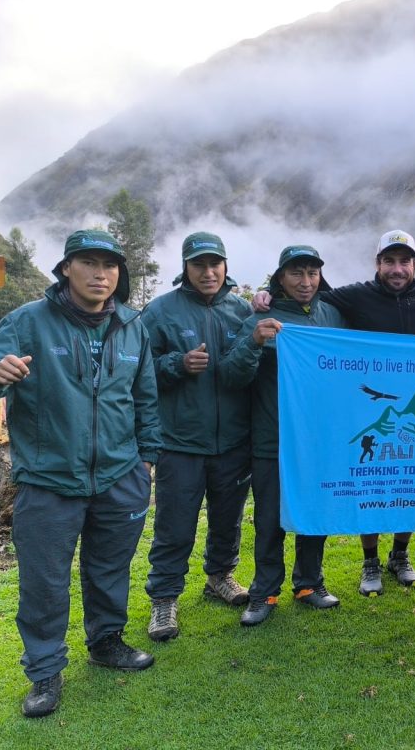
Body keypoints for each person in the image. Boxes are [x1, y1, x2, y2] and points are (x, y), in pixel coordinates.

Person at [252, 229, 415, 597]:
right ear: (378, 263)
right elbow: (311, 299)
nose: (397, 269)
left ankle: (400, 555)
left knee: (408, 484)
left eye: (404, 261)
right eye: (389, 261)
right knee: (372, 484)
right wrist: (267, 294)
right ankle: (370, 561)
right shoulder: (356, 295)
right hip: (374, 408)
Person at [0, 230, 161, 718]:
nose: (101, 274)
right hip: (49, 480)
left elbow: (145, 398)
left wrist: (146, 459)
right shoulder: (29, 322)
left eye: (110, 266)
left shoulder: (133, 326)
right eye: (89, 263)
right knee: (44, 581)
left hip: (120, 476)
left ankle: (107, 642)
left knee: (110, 568)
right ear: (66, 270)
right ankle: (46, 671)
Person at [221, 246, 345, 626]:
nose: (306, 282)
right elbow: (231, 376)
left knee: (314, 513)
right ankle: (264, 593)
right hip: (272, 438)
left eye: (312, 273)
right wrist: (254, 343)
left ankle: (309, 584)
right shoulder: (261, 316)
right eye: (296, 274)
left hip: (319, 440)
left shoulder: (332, 315)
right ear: (279, 278)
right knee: (269, 519)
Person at [141, 232, 254, 642]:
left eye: (215, 264)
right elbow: (137, 372)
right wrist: (176, 363)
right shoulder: (159, 312)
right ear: (185, 268)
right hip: (180, 441)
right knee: (174, 525)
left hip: (233, 442)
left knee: (229, 518)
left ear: (225, 267)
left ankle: (220, 576)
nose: (208, 272)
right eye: (199, 265)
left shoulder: (241, 310)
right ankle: (164, 598)